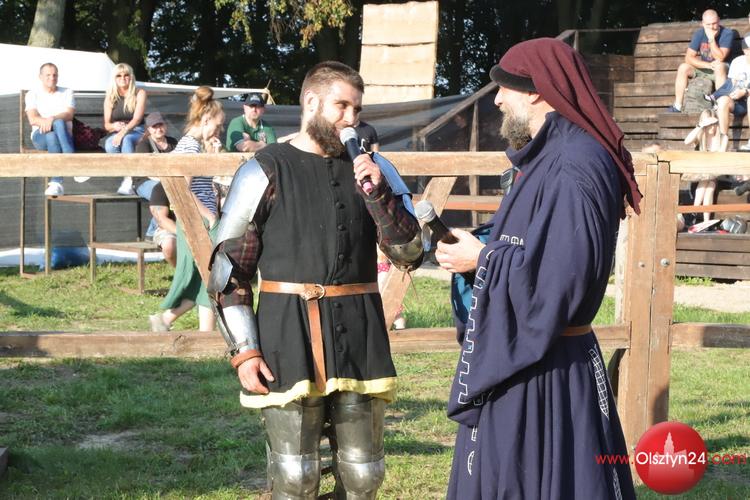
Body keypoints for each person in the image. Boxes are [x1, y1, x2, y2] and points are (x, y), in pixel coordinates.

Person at [435, 38, 639, 499]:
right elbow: (536, 246)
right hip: (528, 357)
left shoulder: (574, 165)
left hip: (550, 370)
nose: (497, 99)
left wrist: (480, 259)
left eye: (503, 88)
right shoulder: (551, 157)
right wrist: (481, 251)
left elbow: (563, 276)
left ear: (535, 91)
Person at [206, 61, 423, 498]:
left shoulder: (374, 169)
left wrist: (379, 193)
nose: (351, 119)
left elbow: (410, 253)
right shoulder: (266, 169)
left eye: (356, 109)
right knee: (295, 476)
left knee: (364, 475)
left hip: (359, 333)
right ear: (311, 102)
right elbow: (229, 272)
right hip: (288, 332)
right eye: (341, 106)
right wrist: (245, 351)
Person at [149, 86, 223, 333]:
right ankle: (192, 330)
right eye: (218, 125)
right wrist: (210, 215)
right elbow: (185, 191)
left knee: (206, 278)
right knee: (208, 277)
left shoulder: (193, 145)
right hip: (198, 221)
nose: (219, 130)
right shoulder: (190, 147)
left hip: (198, 220)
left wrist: (213, 154)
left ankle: (170, 322)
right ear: (206, 119)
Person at [24, 62, 75, 196]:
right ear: (40, 77)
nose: (52, 78)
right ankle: (74, 162)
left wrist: (51, 119)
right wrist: (49, 121)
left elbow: (69, 115)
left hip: (63, 135)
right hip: (40, 135)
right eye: (48, 75)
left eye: (54, 75)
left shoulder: (67, 92)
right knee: (55, 125)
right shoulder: (32, 94)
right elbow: (33, 119)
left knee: (55, 129)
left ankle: (56, 183)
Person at [669, 9, 733, 113]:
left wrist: (711, 39)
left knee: (719, 66)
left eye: (714, 23)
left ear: (719, 20)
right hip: (706, 67)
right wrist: (708, 65)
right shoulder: (699, 34)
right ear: (702, 23)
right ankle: (678, 105)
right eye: (708, 24)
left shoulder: (727, 33)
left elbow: (720, 57)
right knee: (683, 67)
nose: (711, 27)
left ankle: (720, 105)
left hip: (722, 69)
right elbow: (688, 58)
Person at [103, 62, 147, 195]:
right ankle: (128, 176)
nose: (123, 78)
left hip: (137, 130)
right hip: (117, 132)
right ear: (114, 78)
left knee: (127, 140)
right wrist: (114, 126)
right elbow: (106, 125)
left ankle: (129, 180)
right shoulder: (110, 96)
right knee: (109, 145)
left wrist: (123, 132)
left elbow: (137, 119)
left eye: (126, 75)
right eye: (119, 75)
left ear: (131, 76)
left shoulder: (139, 93)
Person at [707, 35, 750, 151]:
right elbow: (732, 83)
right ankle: (723, 140)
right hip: (738, 103)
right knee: (723, 100)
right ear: (745, 50)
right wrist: (733, 92)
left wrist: (745, 92)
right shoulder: (737, 62)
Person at [683, 109, 722, 222]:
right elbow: (686, 141)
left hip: (714, 174)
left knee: (710, 186)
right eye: (709, 124)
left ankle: (694, 214)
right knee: (708, 184)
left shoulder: (721, 138)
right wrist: (700, 126)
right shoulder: (700, 137)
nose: (712, 127)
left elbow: (720, 160)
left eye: (714, 123)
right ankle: (705, 221)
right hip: (698, 177)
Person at [147, 182, 177, 267]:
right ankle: (180, 271)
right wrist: (182, 234)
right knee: (169, 245)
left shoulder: (201, 186)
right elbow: (161, 220)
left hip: (199, 228)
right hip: (170, 229)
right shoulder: (161, 188)